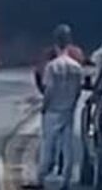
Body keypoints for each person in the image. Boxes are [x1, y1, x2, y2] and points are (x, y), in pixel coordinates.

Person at [29, 24, 83, 190]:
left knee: (48, 146)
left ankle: (41, 179)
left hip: (53, 111)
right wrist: (72, 106)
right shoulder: (76, 67)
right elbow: (78, 91)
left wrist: (44, 107)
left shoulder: (52, 67)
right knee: (67, 148)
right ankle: (66, 181)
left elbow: (49, 90)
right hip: (68, 111)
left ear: (55, 43)